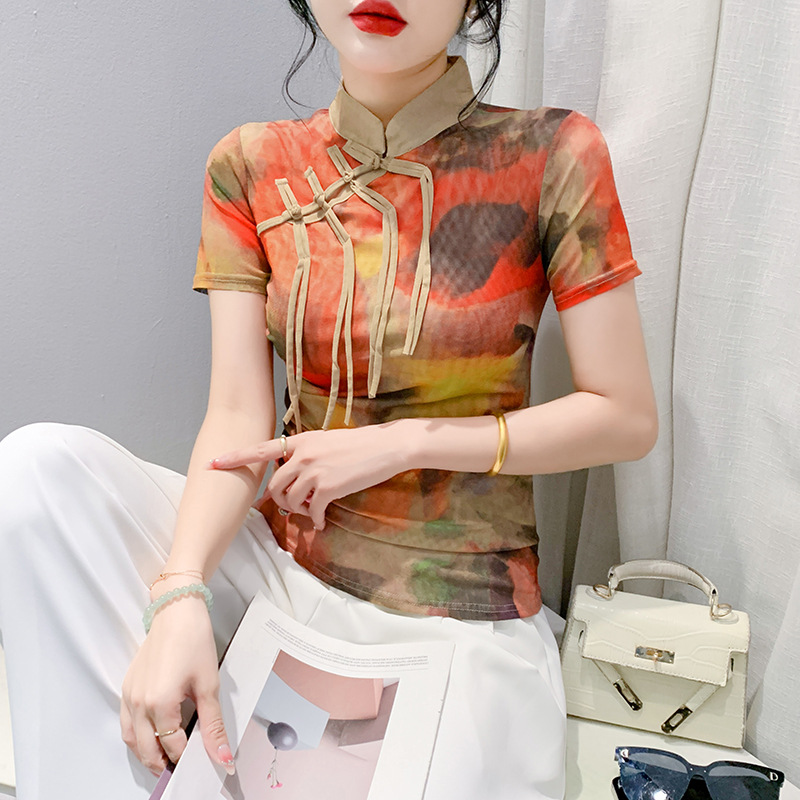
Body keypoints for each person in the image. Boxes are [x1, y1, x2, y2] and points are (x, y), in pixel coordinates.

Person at [0, 1, 657, 798]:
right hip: (281, 568)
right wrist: (181, 590)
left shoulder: (552, 153)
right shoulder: (251, 163)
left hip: (458, 605)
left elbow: (624, 416)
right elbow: (237, 416)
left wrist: (405, 442)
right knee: (36, 471)